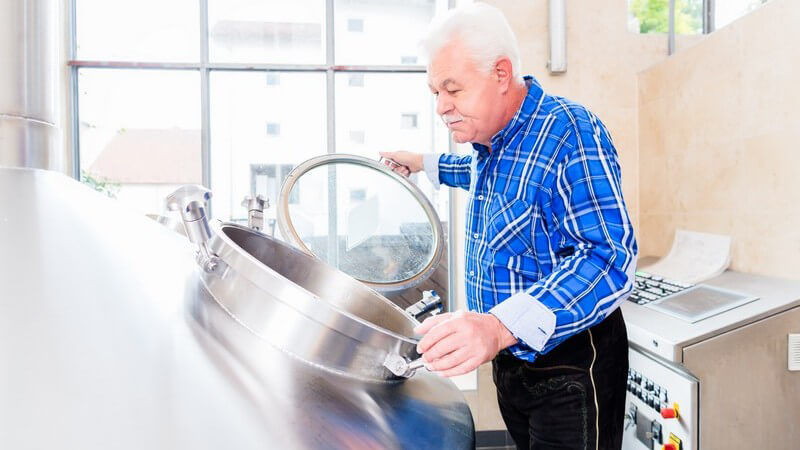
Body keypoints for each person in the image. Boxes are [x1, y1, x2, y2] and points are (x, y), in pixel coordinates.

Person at [380, 3, 638, 449]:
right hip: (512, 365)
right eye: (434, 92)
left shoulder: (569, 132)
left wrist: (497, 328)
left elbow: (609, 259)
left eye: (452, 89)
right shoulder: (492, 142)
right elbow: (481, 176)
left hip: (569, 369)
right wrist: (422, 163)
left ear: (501, 73)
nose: (442, 106)